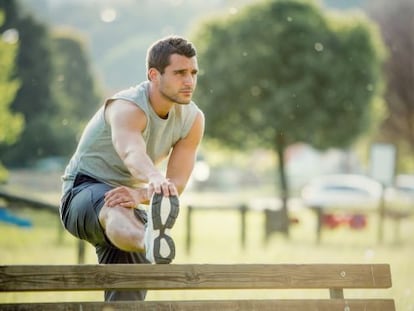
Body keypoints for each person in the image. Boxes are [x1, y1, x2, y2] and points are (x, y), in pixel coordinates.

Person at [59, 35, 204, 301]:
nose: (189, 81)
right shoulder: (127, 106)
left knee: (127, 295)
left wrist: (141, 195)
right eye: (180, 73)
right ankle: (149, 240)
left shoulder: (192, 119)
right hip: (82, 190)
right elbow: (130, 151)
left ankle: (148, 241)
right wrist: (152, 179)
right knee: (115, 206)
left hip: (128, 199)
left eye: (193, 73)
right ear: (154, 75)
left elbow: (177, 182)